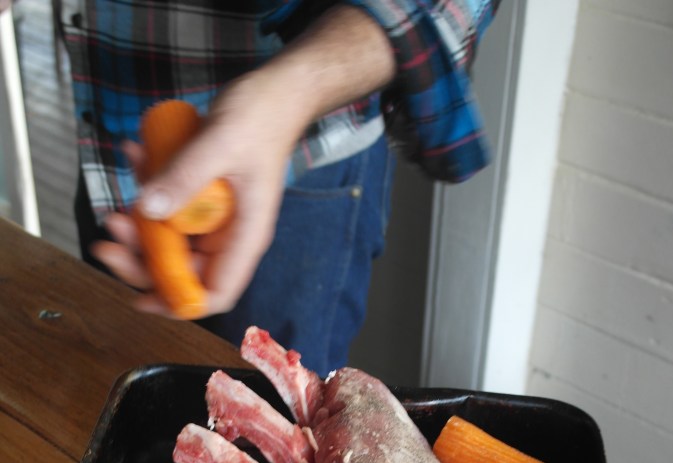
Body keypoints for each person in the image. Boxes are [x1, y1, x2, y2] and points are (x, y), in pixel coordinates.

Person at [19, 1, 503, 375]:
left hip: (300, 165)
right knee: (123, 400)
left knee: (275, 434)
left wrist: (294, 92)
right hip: (113, 158)